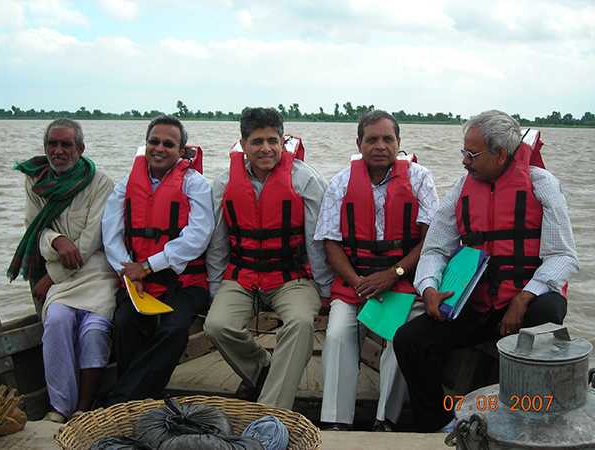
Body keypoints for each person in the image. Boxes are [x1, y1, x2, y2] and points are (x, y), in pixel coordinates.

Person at [393, 110, 579, 432]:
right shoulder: (461, 189)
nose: (464, 161)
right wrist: (429, 287)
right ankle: (435, 424)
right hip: (477, 305)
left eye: (472, 154)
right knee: (410, 339)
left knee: (548, 310)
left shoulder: (541, 185)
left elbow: (563, 256)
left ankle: (535, 421)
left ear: (500, 154)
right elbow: (435, 248)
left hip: (526, 301)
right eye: (463, 152)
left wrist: (524, 298)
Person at [314, 110, 439, 430]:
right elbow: (330, 244)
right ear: (359, 143)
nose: (380, 145)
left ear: (398, 144)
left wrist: (393, 274)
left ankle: (386, 419)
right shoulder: (341, 182)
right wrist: (357, 282)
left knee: (401, 338)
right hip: (355, 282)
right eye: (372, 139)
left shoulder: (420, 178)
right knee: (337, 335)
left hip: (401, 283)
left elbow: (430, 240)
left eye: (388, 139)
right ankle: (335, 421)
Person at [204, 107, 332, 409]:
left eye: (272, 141)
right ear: (243, 144)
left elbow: (319, 240)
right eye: (257, 142)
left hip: (292, 278)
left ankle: (271, 413)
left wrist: (325, 288)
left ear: (282, 141)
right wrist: (214, 287)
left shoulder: (306, 180)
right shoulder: (223, 184)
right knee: (217, 325)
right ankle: (262, 366)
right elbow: (217, 243)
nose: (266, 149)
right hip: (242, 276)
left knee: (300, 324)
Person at [7, 119, 117, 423]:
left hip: (97, 273)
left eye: (66, 145)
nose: (58, 151)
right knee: (55, 321)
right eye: (52, 145)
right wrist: (56, 239)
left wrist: (51, 276)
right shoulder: (35, 181)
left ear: (80, 149)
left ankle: (83, 407)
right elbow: (35, 228)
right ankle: (60, 408)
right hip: (61, 272)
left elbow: (89, 242)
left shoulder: (100, 183)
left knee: (94, 331)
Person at [101, 115, 214, 405]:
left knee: (173, 329)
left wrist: (149, 265)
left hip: (185, 280)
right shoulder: (126, 185)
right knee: (124, 323)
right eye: (154, 141)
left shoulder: (196, 184)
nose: (160, 148)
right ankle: (143, 399)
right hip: (139, 280)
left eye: (169, 144)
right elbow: (110, 233)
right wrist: (128, 271)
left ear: (181, 151)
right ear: (146, 144)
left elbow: (198, 235)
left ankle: (120, 401)